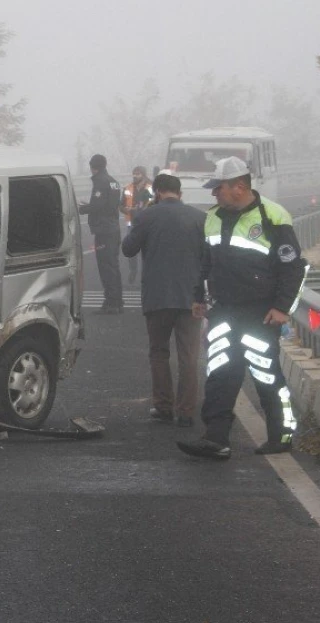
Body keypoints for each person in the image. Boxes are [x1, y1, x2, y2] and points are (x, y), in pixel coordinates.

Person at [177, 157, 309, 460]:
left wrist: (281, 308)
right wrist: (199, 297)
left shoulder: (272, 216)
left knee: (265, 373)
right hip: (224, 308)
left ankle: (281, 435)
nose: (214, 194)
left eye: (218, 187)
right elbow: (205, 262)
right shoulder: (212, 217)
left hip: (261, 311)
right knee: (220, 373)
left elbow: (294, 269)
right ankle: (215, 438)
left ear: (239, 186)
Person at [121, 174, 205, 428]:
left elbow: (128, 249)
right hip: (191, 297)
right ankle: (187, 411)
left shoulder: (147, 216)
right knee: (189, 356)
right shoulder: (200, 218)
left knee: (159, 353)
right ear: (180, 193)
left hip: (157, 296)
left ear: (156, 192)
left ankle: (163, 406)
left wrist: (141, 219)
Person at [79, 154, 123, 313]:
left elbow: (98, 206)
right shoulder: (114, 182)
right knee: (113, 266)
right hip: (113, 227)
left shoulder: (100, 182)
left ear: (93, 166)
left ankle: (111, 303)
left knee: (106, 267)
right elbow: (109, 205)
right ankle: (118, 301)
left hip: (104, 230)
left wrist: (82, 209)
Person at [121, 165, 153, 284]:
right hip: (132, 225)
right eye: (134, 173)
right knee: (131, 249)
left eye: (138, 174)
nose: (135, 176)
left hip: (148, 225)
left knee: (148, 250)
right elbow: (120, 205)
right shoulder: (127, 188)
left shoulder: (150, 188)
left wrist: (143, 210)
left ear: (143, 175)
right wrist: (128, 210)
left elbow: (154, 204)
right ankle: (133, 271)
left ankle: (147, 274)